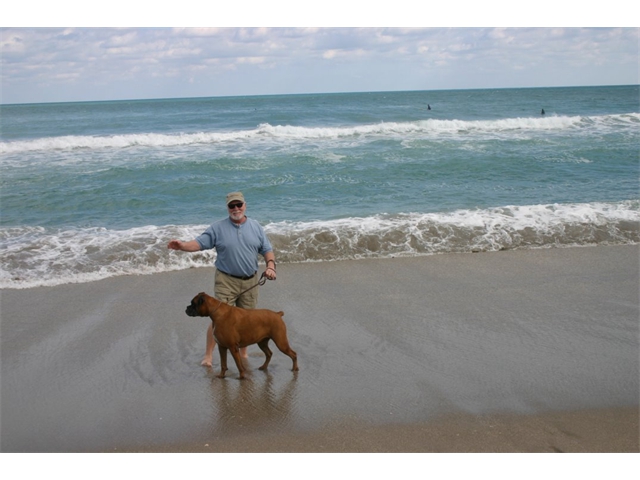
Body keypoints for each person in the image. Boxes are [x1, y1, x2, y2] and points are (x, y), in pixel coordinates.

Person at [167, 192, 277, 367]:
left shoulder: (256, 227)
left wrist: (270, 266)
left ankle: (243, 354)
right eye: (231, 206)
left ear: (245, 205)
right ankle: (208, 356)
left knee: (246, 319)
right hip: (226, 280)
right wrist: (182, 246)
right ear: (227, 208)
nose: (235, 209)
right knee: (218, 319)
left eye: (238, 205)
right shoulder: (217, 228)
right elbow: (199, 243)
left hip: (250, 280)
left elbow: (267, 249)